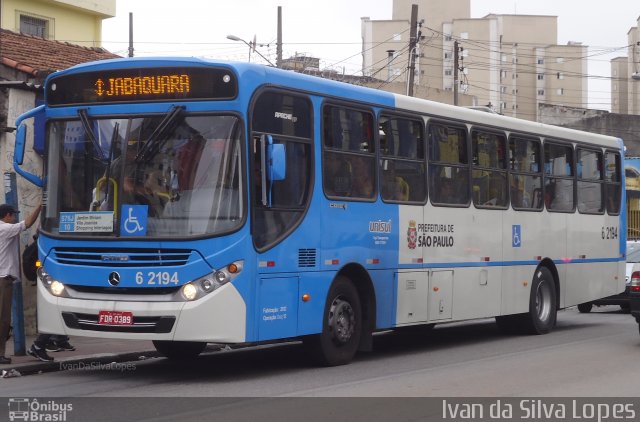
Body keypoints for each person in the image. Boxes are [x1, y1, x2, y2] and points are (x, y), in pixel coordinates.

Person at [0, 201, 42, 364]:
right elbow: (28, 223)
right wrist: (40, 206)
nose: (14, 218)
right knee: (3, 319)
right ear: (8, 215)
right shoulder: (5, 229)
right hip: (4, 279)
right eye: (13, 215)